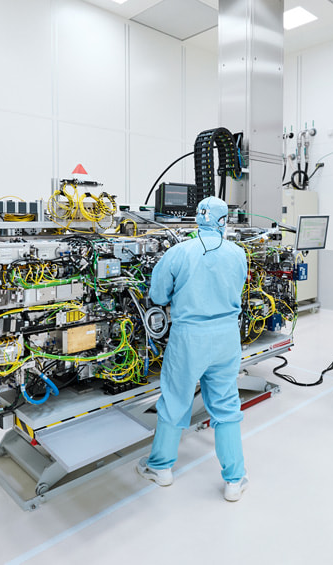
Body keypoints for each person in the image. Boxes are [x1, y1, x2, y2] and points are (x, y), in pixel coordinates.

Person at [136, 196, 250, 502]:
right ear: (224, 221)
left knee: (175, 401)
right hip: (227, 337)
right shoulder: (239, 254)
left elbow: (158, 295)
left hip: (189, 338)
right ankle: (234, 480)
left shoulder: (178, 253)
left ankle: (160, 469)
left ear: (197, 219)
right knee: (226, 406)